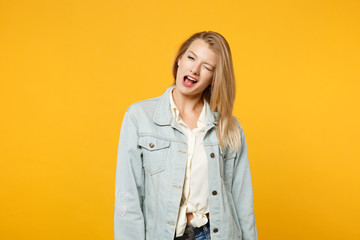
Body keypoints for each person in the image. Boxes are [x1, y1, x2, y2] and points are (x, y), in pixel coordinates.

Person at [114, 31, 258, 240]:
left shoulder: (229, 128)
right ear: (179, 59)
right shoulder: (139, 117)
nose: (195, 69)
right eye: (191, 58)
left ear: (213, 79)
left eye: (207, 67)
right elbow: (127, 198)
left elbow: (243, 204)